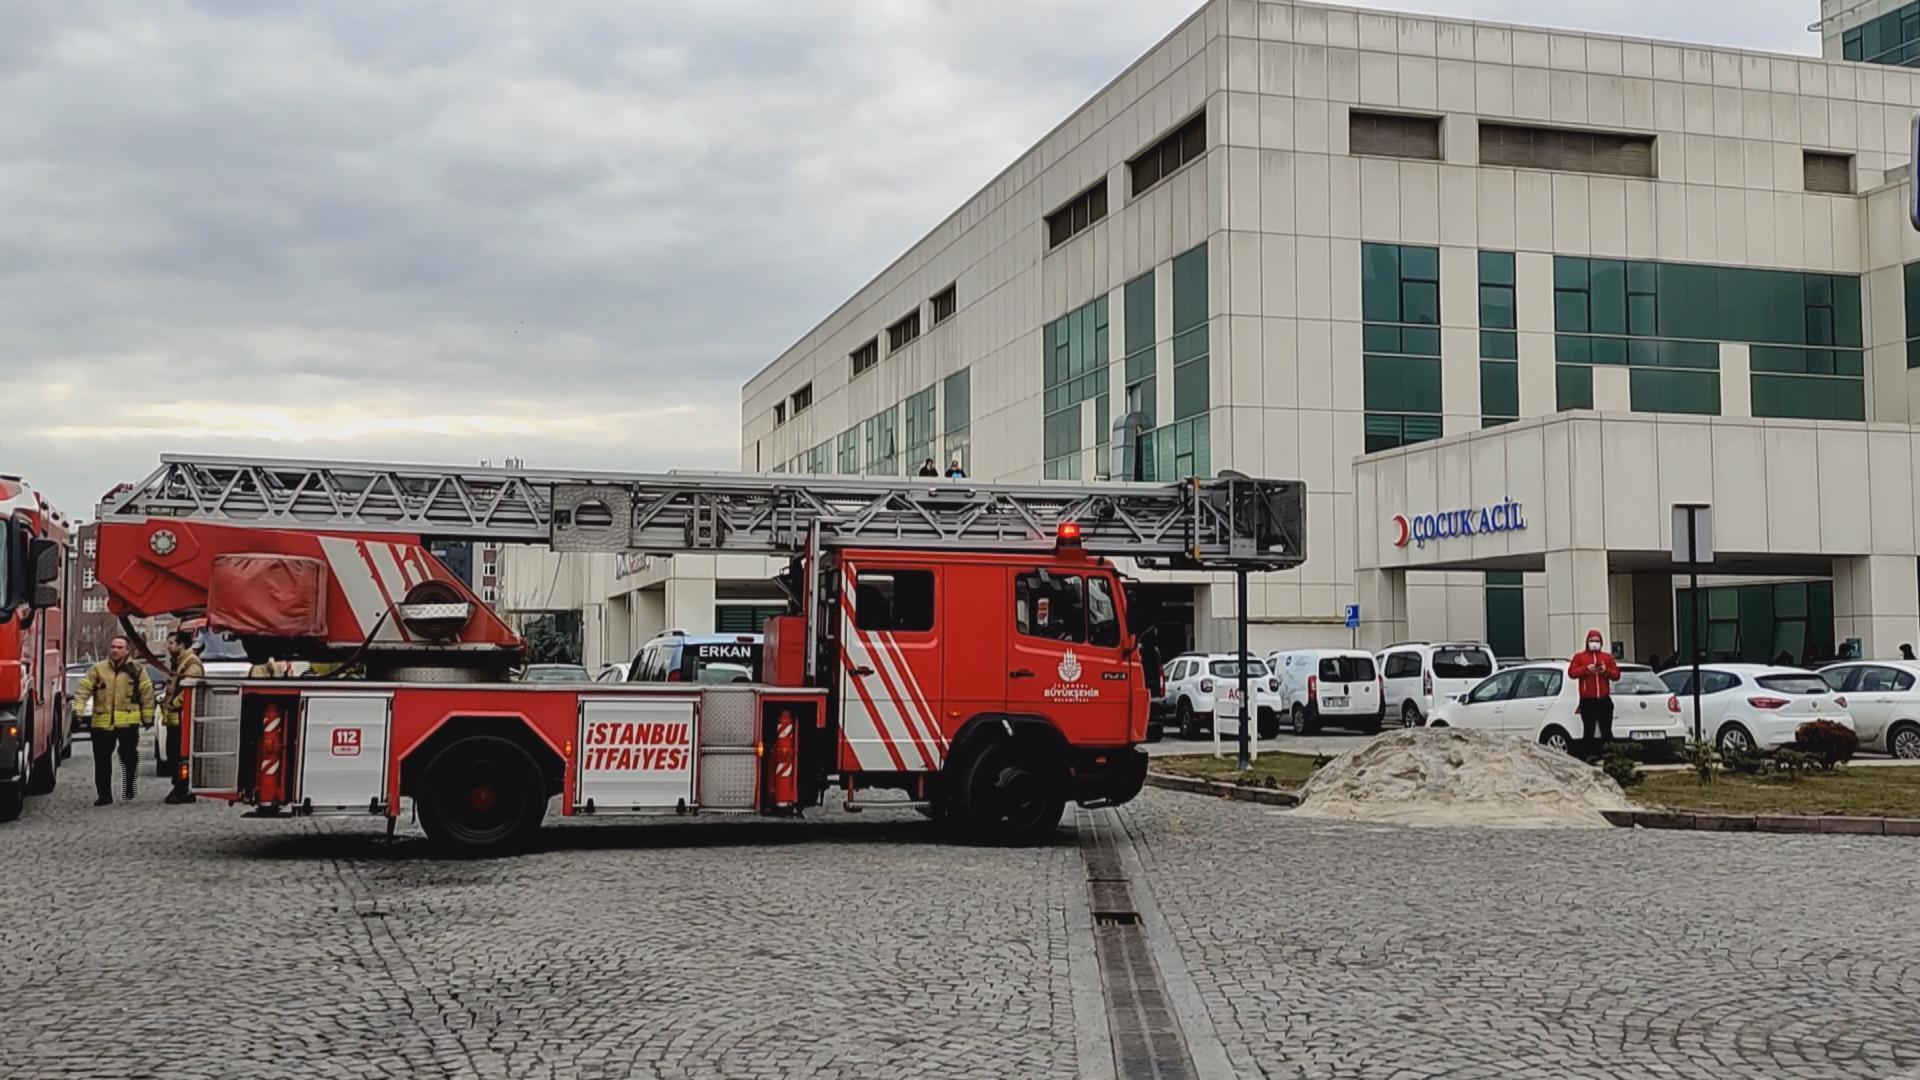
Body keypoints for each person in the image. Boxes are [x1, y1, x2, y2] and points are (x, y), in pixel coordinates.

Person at [72, 636, 156, 806]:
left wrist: (147, 718)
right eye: (113, 646)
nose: (115, 650)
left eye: (119, 647)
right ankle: (104, 795)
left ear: (127, 650)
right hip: (102, 723)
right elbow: (83, 690)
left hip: (127, 723)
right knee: (102, 761)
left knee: (128, 757)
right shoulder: (98, 669)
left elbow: (147, 695)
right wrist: (78, 710)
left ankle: (129, 785)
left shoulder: (137, 670)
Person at [160, 630, 202, 804]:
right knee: (173, 754)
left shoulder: (191, 663)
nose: (168, 646)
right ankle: (179, 786)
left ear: (182, 645)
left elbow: (188, 691)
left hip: (182, 718)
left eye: (171, 643)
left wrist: (173, 704)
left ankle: (182, 788)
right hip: (174, 718)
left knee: (180, 755)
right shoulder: (178, 662)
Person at [1567, 629, 1619, 752]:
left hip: (1604, 700)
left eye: (1597, 641)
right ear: (1587, 642)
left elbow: (1616, 675)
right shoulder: (1580, 657)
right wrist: (1586, 669)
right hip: (1587, 700)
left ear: (1601, 642)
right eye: (1592, 641)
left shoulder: (1607, 657)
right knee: (1588, 730)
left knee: (1606, 731)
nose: (1594, 643)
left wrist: (1605, 670)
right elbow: (1571, 673)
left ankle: (1609, 756)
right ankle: (1589, 756)